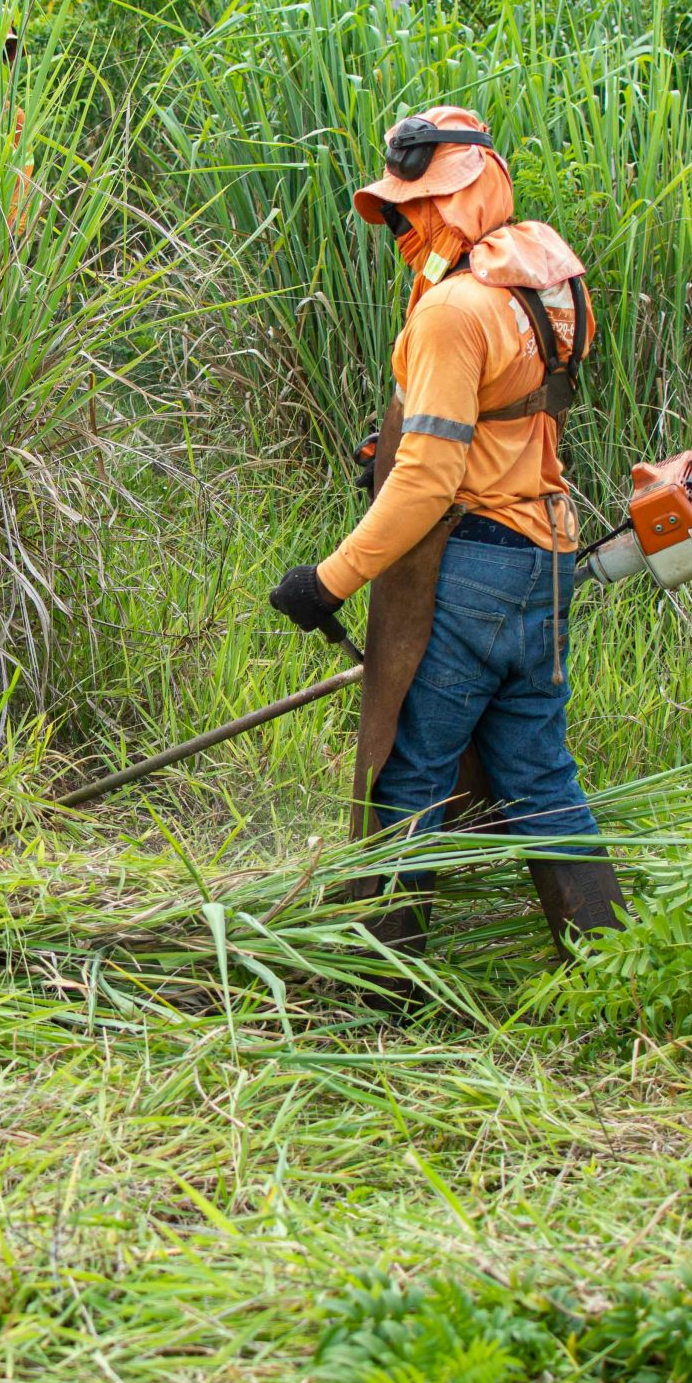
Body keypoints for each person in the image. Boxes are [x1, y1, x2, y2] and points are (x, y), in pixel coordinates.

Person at [266, 106, 627, 951]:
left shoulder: (451, 311)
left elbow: (429, 480)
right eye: (397, 209)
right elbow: (505, 413)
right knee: (540, 774)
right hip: (546, 560)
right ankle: (616, 962)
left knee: (407, 775)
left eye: (419, 206)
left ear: (464, 197)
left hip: (469, 569)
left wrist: (329, 580)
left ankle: (384, 990)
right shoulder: (547, 283)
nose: (403, 224)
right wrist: (386, 447)